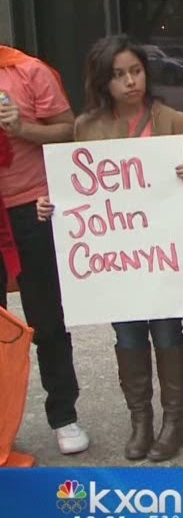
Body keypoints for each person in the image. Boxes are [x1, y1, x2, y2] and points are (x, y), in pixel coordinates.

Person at [36, 35, 183, 461]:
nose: (130, 81)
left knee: (167, 332)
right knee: (128, 334)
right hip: (115, 260)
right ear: (103, 81)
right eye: (118, 75)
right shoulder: (86, 128)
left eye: (136, 71)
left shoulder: (175, 121)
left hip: (162, 258)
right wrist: (51, 204)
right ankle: (141, 421)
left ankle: (174, 422)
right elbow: (80, 191)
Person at [0, 44, 87, 455]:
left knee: (47, 317)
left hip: (31, 207)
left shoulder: (28, 71)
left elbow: (69, 129)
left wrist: (23, 128)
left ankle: (64, 415)